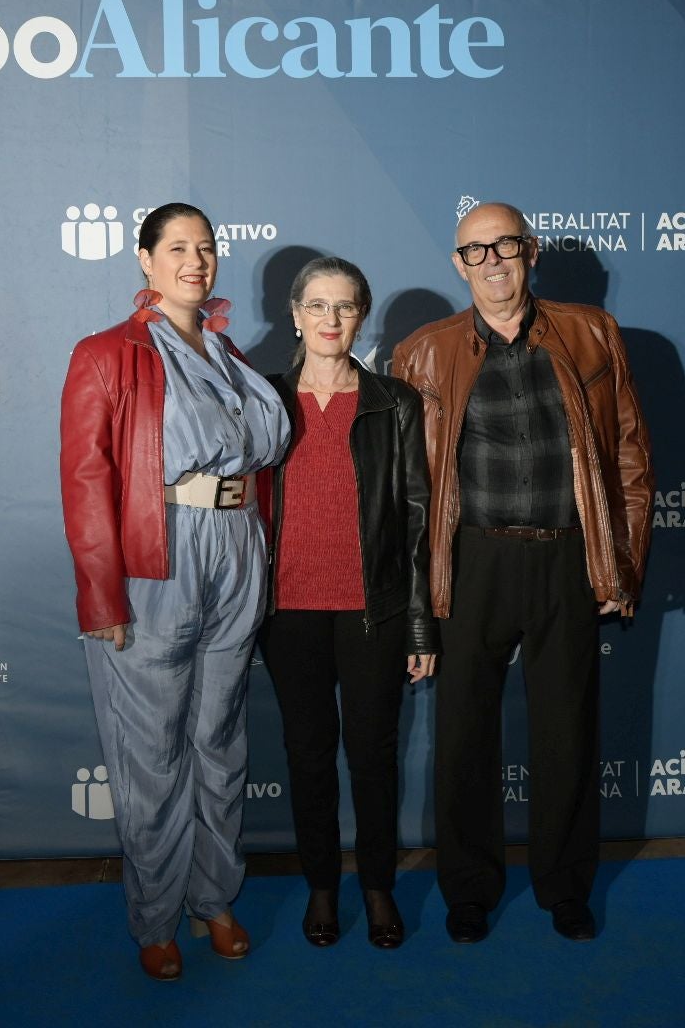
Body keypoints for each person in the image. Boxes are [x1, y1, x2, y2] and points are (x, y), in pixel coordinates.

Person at [391, 201, 653, 944]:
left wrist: (620, 563)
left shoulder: (591, 332)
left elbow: (630, 453)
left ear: (530, 252)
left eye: (505, 245)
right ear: (458, 264)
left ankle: (566, 888)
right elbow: (407, 489)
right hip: (471, 559)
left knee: (568, 732)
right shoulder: (422, 352)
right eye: (476, 251)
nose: (493, 262)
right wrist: (416, 596)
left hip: (567, 556)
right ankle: (469, 891)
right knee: (464, 734)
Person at [59, 202, 290, 981]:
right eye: (179, 247)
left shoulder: (229, 354)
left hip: (238, 549)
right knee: (150, 750)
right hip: (156, 558)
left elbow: (260, 462)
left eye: (207, 247)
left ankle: (214, 898)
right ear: (145, 259)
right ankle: (156, 916)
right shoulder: (107, 353)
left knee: (221, 741)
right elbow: (86, 479)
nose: (197, 261)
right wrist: (101, 597)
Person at [258, 256, 439, 951]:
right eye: (317, 305)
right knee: (308, 757)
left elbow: (417, 520)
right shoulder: (264, 400)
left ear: (361, 316)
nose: (330, 319)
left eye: (344, 306)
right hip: (287, 611)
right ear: (295, 315)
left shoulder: (395, 402)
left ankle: (379, 888)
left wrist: (420, 624)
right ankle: (322, 889)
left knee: (372, 756)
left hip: (375, 611)